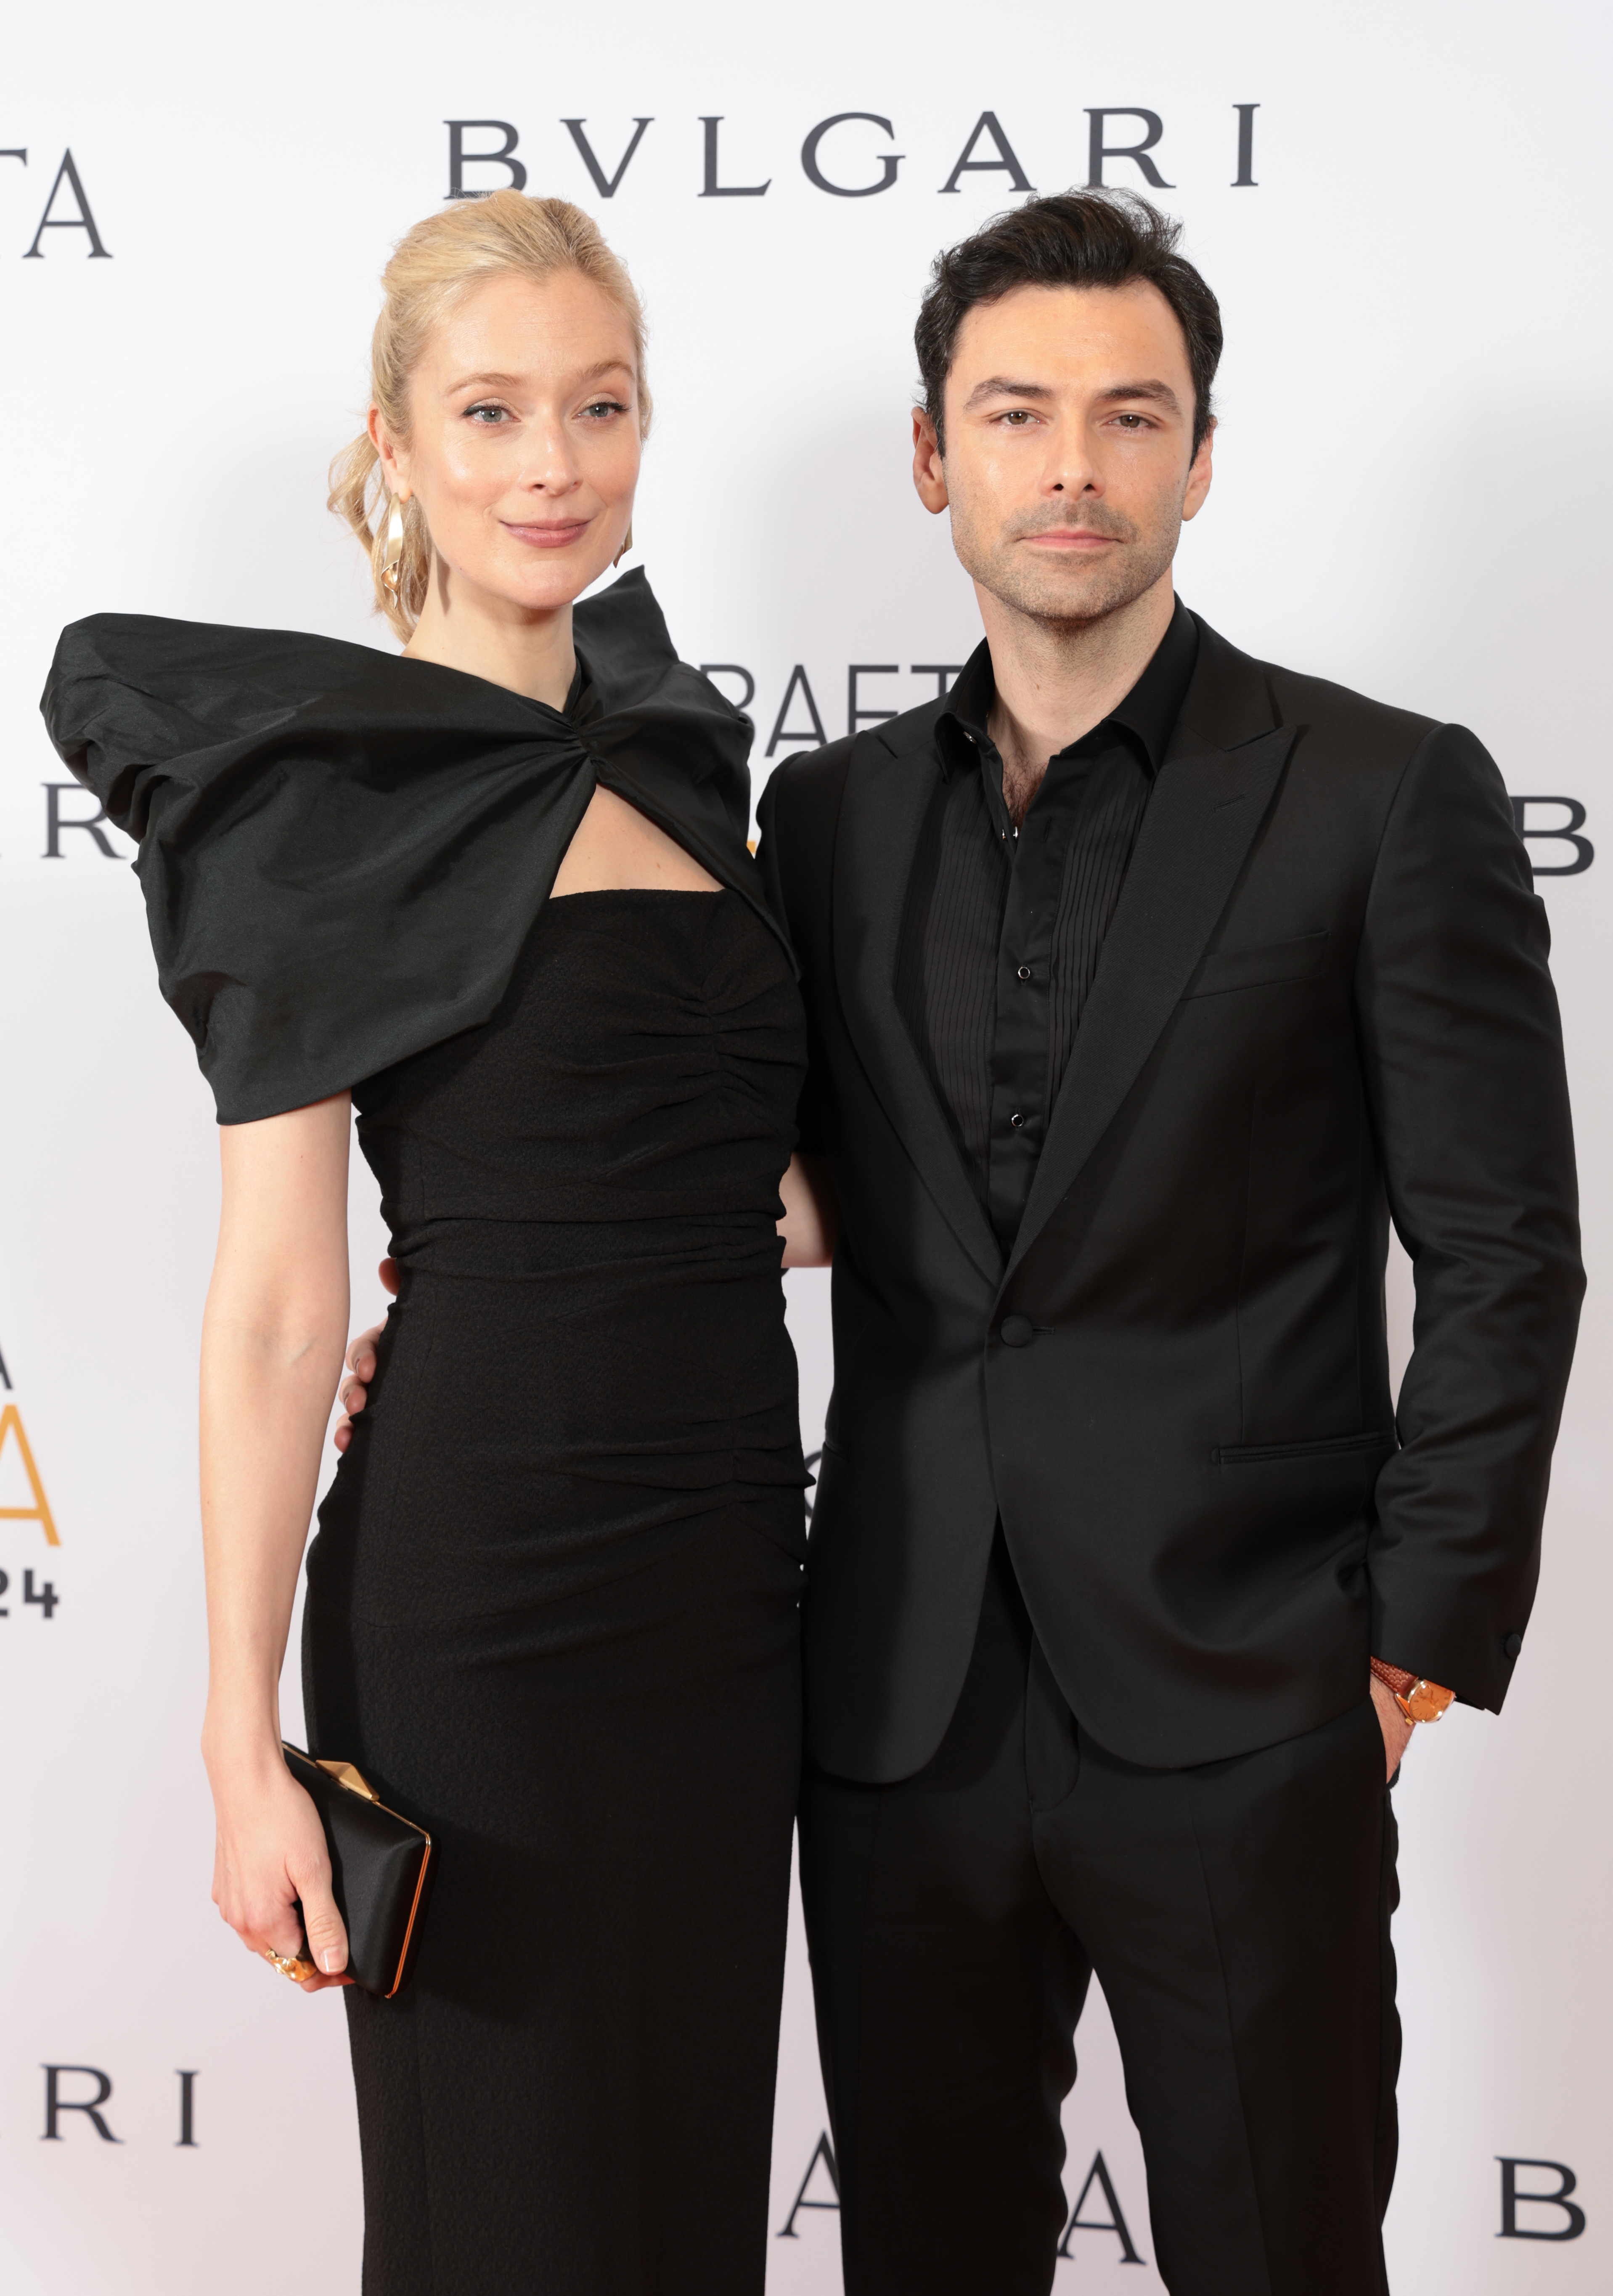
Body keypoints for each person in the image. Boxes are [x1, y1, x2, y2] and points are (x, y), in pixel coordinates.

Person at [753, 192, 1581, 2294]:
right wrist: (469, 1304)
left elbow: (1503, 1247)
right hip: (896, 1697)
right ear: (932, 458)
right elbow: (789, 1193)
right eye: (1014, 415)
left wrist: (1409, 1631)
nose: (1072, 468)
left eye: (1130, 419)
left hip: (1248, 1687)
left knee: (1278, 2254)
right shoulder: (821, 821)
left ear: (1199, 459)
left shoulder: (1380, 797)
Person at [43, 190, 831, 2296]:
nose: (549, 463)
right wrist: (237, 1738)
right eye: (488, 412)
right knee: (503, 2214)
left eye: (598, 405)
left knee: (680, 2202)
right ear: (394, 445)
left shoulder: (688, 766)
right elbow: (284, 1304)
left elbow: (769, 1187)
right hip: (481, 1593)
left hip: (728, 1575)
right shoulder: (316, 796)